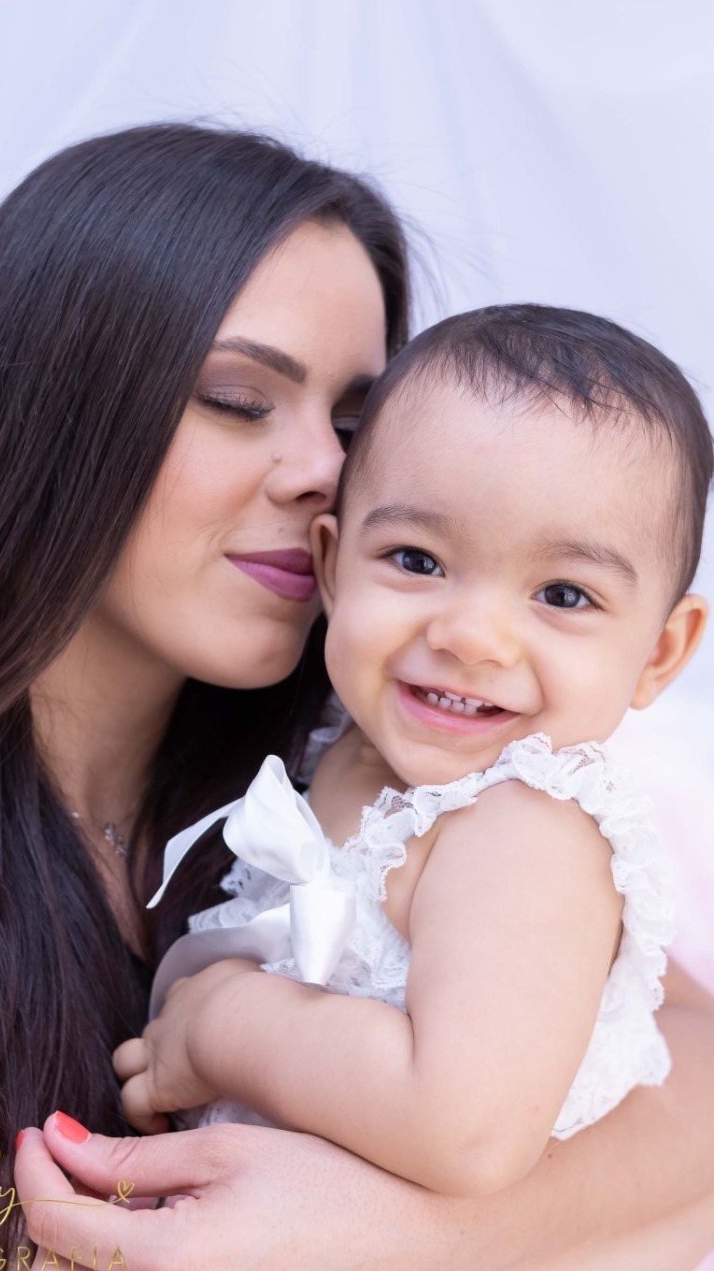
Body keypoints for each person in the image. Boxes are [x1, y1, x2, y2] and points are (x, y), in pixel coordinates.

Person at [0, 126, 711, 1271]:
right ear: (48, 411)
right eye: (236, 397)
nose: (327, 465)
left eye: (355, 424)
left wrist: (400, 1226)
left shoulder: (409, 764)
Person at [113, 305, 710, 1199]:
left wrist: (224, 1026)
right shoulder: (336, 747)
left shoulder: (529, 828)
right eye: (417, 560)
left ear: (658, 653)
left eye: (561, 592)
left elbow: (460, 1130)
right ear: (330, 564)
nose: (471, 636)